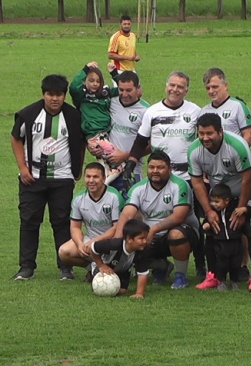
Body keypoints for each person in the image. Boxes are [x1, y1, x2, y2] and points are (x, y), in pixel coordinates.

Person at [122, 70, 206, 279]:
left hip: (188, 178)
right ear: (166, 86)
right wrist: (131, 164)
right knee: (158, 220)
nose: (175, 89)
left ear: (186, 90)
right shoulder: (152, 112)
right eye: (172, 85)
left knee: (194, 221)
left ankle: (200, 264)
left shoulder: (195, 111)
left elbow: (204, 139)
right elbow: (141, 141)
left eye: (180, 86)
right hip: (159, 177)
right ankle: (161, 264)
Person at [11, 74, 84, 281]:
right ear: (43, 94)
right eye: (50, 94)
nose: (55, 99)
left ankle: (65, 267)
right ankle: (26, 267)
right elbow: (16, 138)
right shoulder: (28, 114)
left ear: (64, 95)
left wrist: (77, 168)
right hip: (32, 178)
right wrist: (22, 168)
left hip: (62, 179)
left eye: (59, 95)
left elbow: (81, 141)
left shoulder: (73, 116)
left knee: (61, 222)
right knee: (29, 221)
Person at [188, 113, 251, 292]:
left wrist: (241, 208)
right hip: (220, 197)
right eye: (201, 133)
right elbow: (197, 182)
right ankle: (213, 276)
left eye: (209, 133)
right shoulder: (194, 150)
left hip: (247, 193)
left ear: (220, 132)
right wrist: (209, 210)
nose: (205, 138)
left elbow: (247, 179)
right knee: (212, 230)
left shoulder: (237, 146)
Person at [199, 67, 251, 281]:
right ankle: (220, 268)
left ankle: (242, 265)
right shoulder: (205, 110)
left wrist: (234, 155)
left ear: (225, 85)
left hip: (237, 172)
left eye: (215, 86)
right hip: (217, 180)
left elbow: (248, 133)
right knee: (222, 224)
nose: (212, 91)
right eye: (208, 88)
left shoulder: (237, 106)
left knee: (240, 224)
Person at [116, 151, 200, 290]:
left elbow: (179, 217)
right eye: (151, 167)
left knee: (175, 234)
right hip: (150, 237)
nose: (155, 171)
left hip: (184, 233)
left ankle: (181, 275)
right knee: (132, 239)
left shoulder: (180, 185)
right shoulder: (138, 188)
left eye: (160, 167)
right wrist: (119, 243)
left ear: (169, 168)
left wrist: (153, 230)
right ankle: (161, 266)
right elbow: (126, 215)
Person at [88, 70, 150, 198]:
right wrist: (92, 145)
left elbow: (151, 144)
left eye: (129, 90)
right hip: (107, 169)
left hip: (132, 169)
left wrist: (125, 156)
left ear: (138, 88)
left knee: (131, 208)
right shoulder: (111, 101)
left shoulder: (146, 111)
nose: (124, 94)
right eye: (121, 90)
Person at [58, 162, 124, 280]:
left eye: (95, 177)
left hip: (112, 242)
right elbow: (75, 227)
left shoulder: (114, 197)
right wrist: (79, 244)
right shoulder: (78, 199)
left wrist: (94, 242)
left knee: (119, 266)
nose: (91, 180)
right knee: (64, 252)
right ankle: (93, 268)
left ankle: (120, 268)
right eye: (88, 176)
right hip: (92, 242)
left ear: (104, 178)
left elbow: (116, 228)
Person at [69, 62, 121, 184]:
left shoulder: (105, 92)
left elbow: (123, 89)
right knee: (120, 164)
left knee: (106, 165)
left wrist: (114, 74)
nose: (95, 84)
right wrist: (85, 69)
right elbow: (73, 87)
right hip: (94, 135)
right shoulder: (82, 95)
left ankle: (104, 185)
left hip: (107, 134)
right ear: (85, 80)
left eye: (98, 81)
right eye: (91, 80)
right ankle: (104, 184)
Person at [202, 184, 251, 291]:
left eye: (217, 202)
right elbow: (207, 222)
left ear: (226, 201)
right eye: (212, 201)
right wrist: (206, 226)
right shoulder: (213, 212)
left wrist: (244, 209)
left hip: (236, 242)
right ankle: (221, 281)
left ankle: (234, 281)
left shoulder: (234, 208)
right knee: (221, 264)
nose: (214, 204)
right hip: (220, 243)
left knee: (235, 264)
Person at [91, 219, 150, 297]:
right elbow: (93, 247)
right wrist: (101, 265)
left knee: (122, 291)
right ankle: (92, 273)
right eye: (141, 238)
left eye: (146, 238)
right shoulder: (114, 244)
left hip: (123, 271)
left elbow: (142, 273)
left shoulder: (142, 251)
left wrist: (139, 293)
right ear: (129, 239)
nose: (145, 241)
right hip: (105, 268)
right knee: (104, 288)